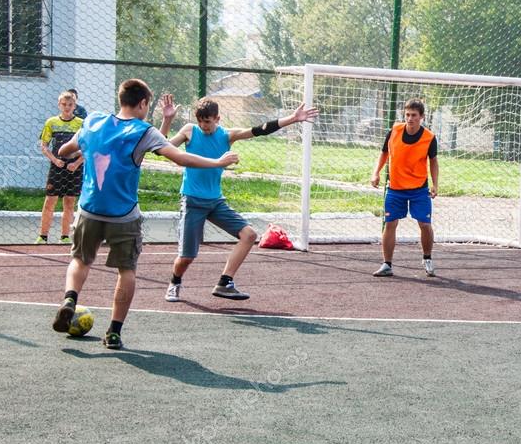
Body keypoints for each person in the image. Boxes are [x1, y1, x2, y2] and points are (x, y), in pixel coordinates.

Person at [50, 79, 238, 350]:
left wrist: (87, 147)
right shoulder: (142, 130)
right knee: (126, 271)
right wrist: (217, 162)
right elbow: (179, 158)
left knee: (80, 260)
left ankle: (70, 299)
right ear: (142, 104)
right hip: (123, 215)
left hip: (89, 209)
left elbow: (64, 150)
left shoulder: (92, 122)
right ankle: (114, 332)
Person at [161, 97, 319, 302]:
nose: (203, 126)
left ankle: (225, 282)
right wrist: (167, 120)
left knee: (249, 235)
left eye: (207, 121)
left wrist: (292, 119)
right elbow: (162, 148)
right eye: (200, 120)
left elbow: (258, 129)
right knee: (187, 257)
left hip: (216, 202)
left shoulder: (227, 136)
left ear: (217, 118)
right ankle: (175, 282)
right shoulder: (190, 131)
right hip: (192, 201)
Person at [370, 98, 439, 278]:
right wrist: (375, 172)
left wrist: (435, 184)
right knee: (390, 223)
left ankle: (427, 258)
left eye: (414, 115)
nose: (410, 118)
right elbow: (384, 152)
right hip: (395, 187)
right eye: (407, 114)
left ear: (421, 117)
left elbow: (433, 161)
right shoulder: (394, 131)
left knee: (424, 224)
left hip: (419, 189)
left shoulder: (429, 138)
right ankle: (387, 264)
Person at [36, 91, 84, 244]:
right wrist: (55, 160)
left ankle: (64, 236)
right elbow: (43, 146)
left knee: (70, 201)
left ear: (74, 106)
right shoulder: (51, 122)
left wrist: (76, 163)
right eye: (64, 104)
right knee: (50, 200)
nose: (67, 107)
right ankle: (43, 236)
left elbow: (89, 148)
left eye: (70, 105)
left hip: (74, 168)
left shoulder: (82, 124)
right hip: (57, 167)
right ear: (59, 105)